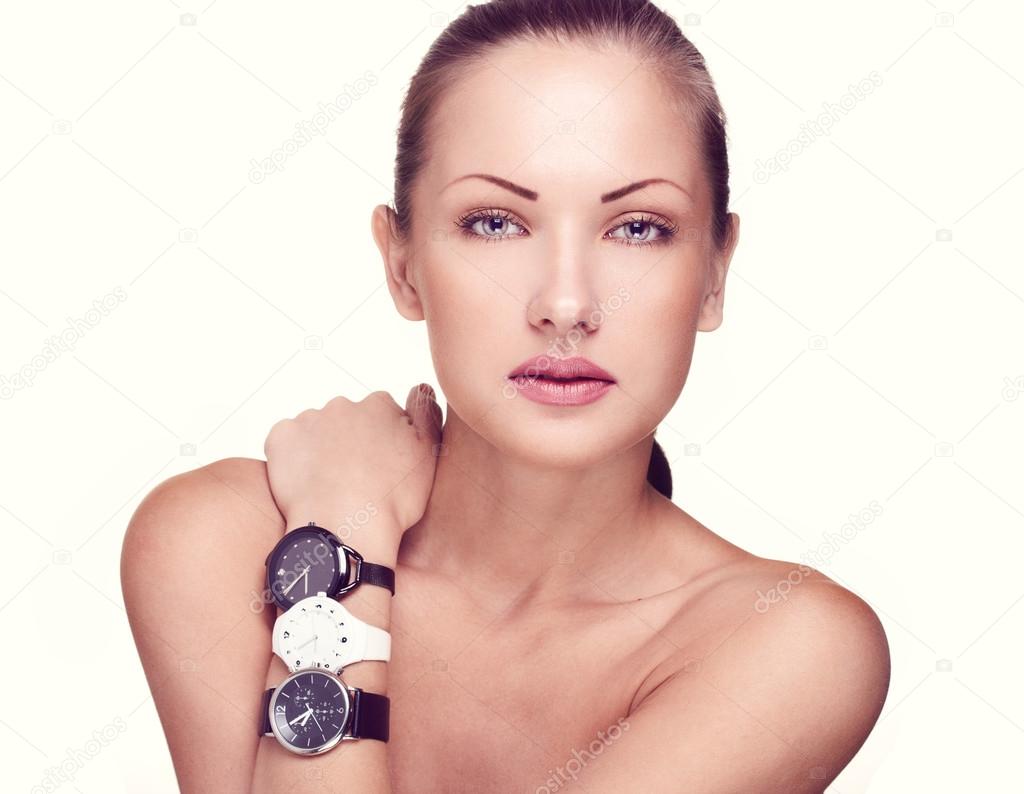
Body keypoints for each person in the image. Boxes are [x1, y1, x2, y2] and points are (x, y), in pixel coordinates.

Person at [120, 1, 891, 791]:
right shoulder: (220, 541)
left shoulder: (787, 642)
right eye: (495, 223)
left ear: (714, 275)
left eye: (637, 227)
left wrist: (331, 555)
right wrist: (342, 530)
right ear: (402, 263)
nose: (565, 304)